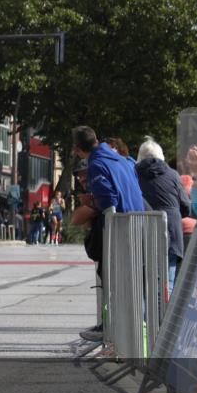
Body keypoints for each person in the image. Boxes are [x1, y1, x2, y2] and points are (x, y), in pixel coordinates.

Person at [72, 125, 145, 342]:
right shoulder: (120, 159)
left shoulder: (97, 163)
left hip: (118, 231)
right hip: (137, 225)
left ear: (78, 149)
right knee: (128, 282)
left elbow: (108, 201)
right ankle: (124, 333)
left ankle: (112, 330)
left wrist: (90, 201)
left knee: (113, 280)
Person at [136, 137, 191, 294]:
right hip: (171, 234)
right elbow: (186, 206)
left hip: (142, 235)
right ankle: (164, 318)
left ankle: (146, 319)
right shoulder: (173, 175)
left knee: (144, 287)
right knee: (167, 285)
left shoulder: (133, 175)